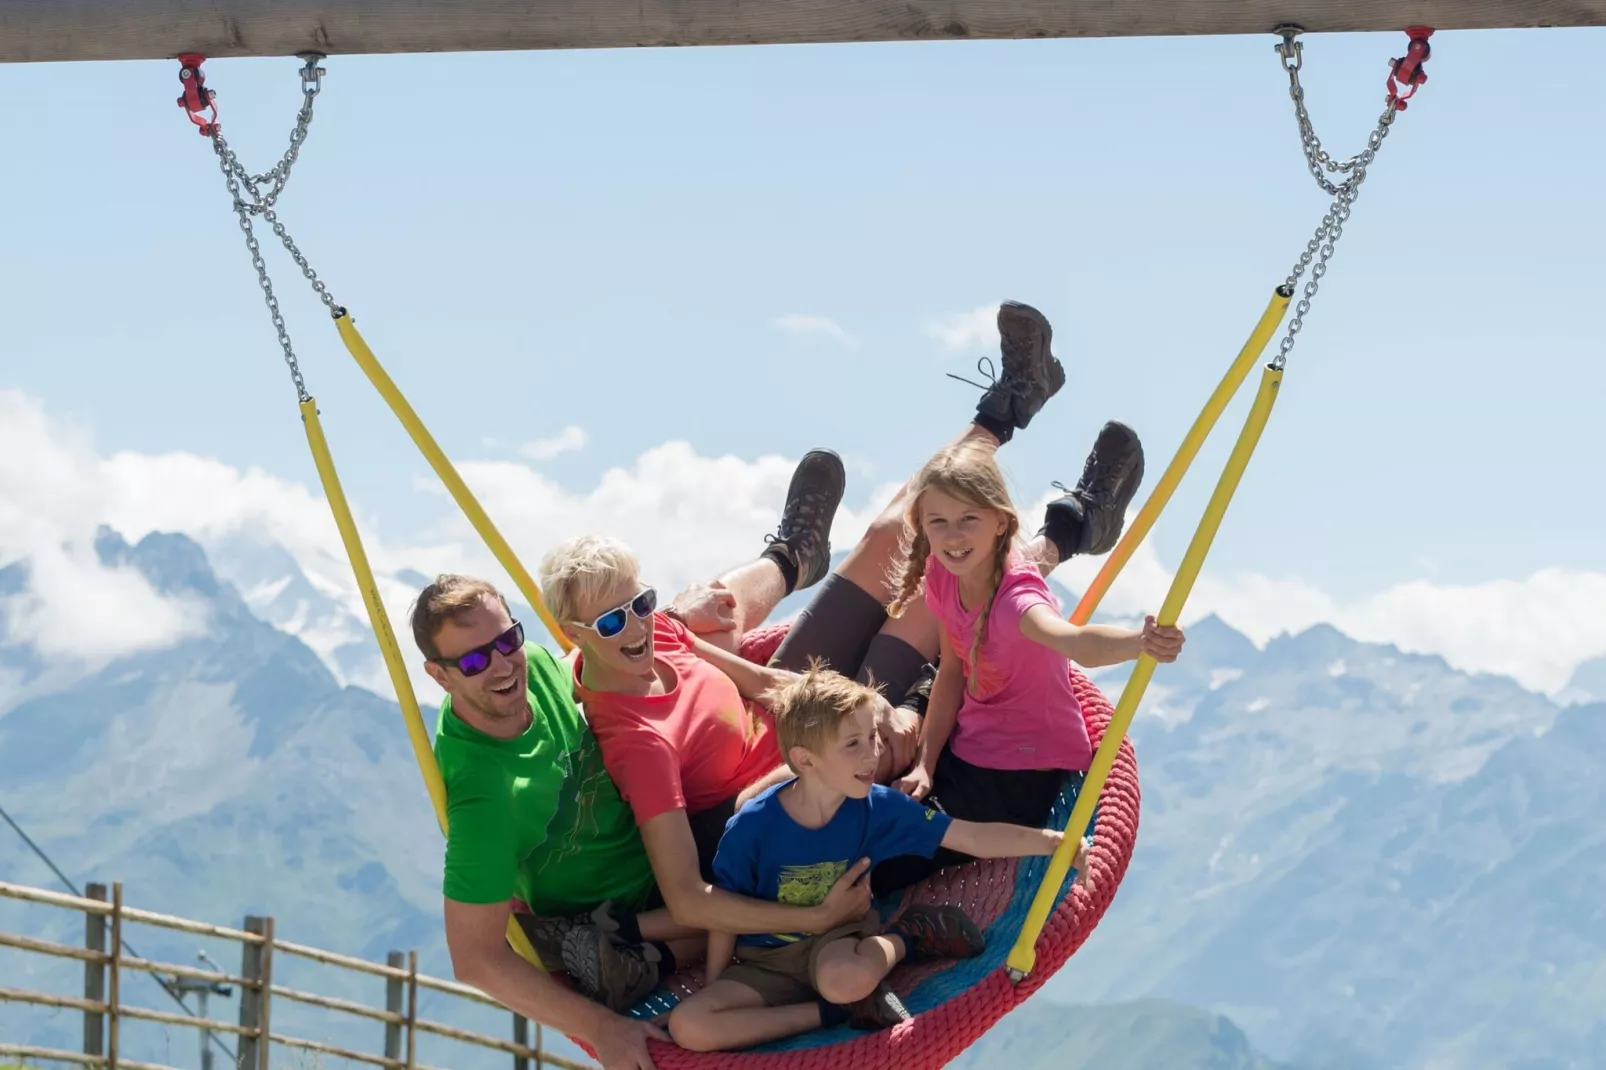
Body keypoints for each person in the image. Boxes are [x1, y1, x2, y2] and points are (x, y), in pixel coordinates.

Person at [413, 575, 875, 1070]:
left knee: (822, 726)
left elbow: (603, 648)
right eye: (474, 661)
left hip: (668, 841)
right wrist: (601, 1028)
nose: (503, 665)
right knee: (819, 779)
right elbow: (474, 958)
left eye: (507, 640)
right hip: (643, 889)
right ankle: (614, 942)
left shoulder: (543, 668)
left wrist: (674, 619)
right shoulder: (483, 798)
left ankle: (795, 558)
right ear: (440, 677)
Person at [665, 666, 1088, 1052]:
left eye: (873, 738)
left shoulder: (877, 806)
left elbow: (971, 836)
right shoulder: (752, 827)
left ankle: (906, 937)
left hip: (835, 945)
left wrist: (1052, 842)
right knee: (690, 1026)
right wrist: (716, 982)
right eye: (853, 745)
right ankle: (832, 1013)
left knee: (842, 979)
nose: (872, 756)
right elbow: (725, 910)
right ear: (805, 760)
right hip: (764, 962)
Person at [869, 437, 1187, 895]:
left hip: (1019, 775)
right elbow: (953, 673)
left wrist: (1142, 642)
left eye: (968, 520)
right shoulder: (944, 576)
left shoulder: (1017, 603)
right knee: (868, 813)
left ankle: (911, 927)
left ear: (1001, 522)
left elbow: (1076, 642)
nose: (954, 536)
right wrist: (925, 763)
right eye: (939, 522)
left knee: (884, 861)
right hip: (969, 749)